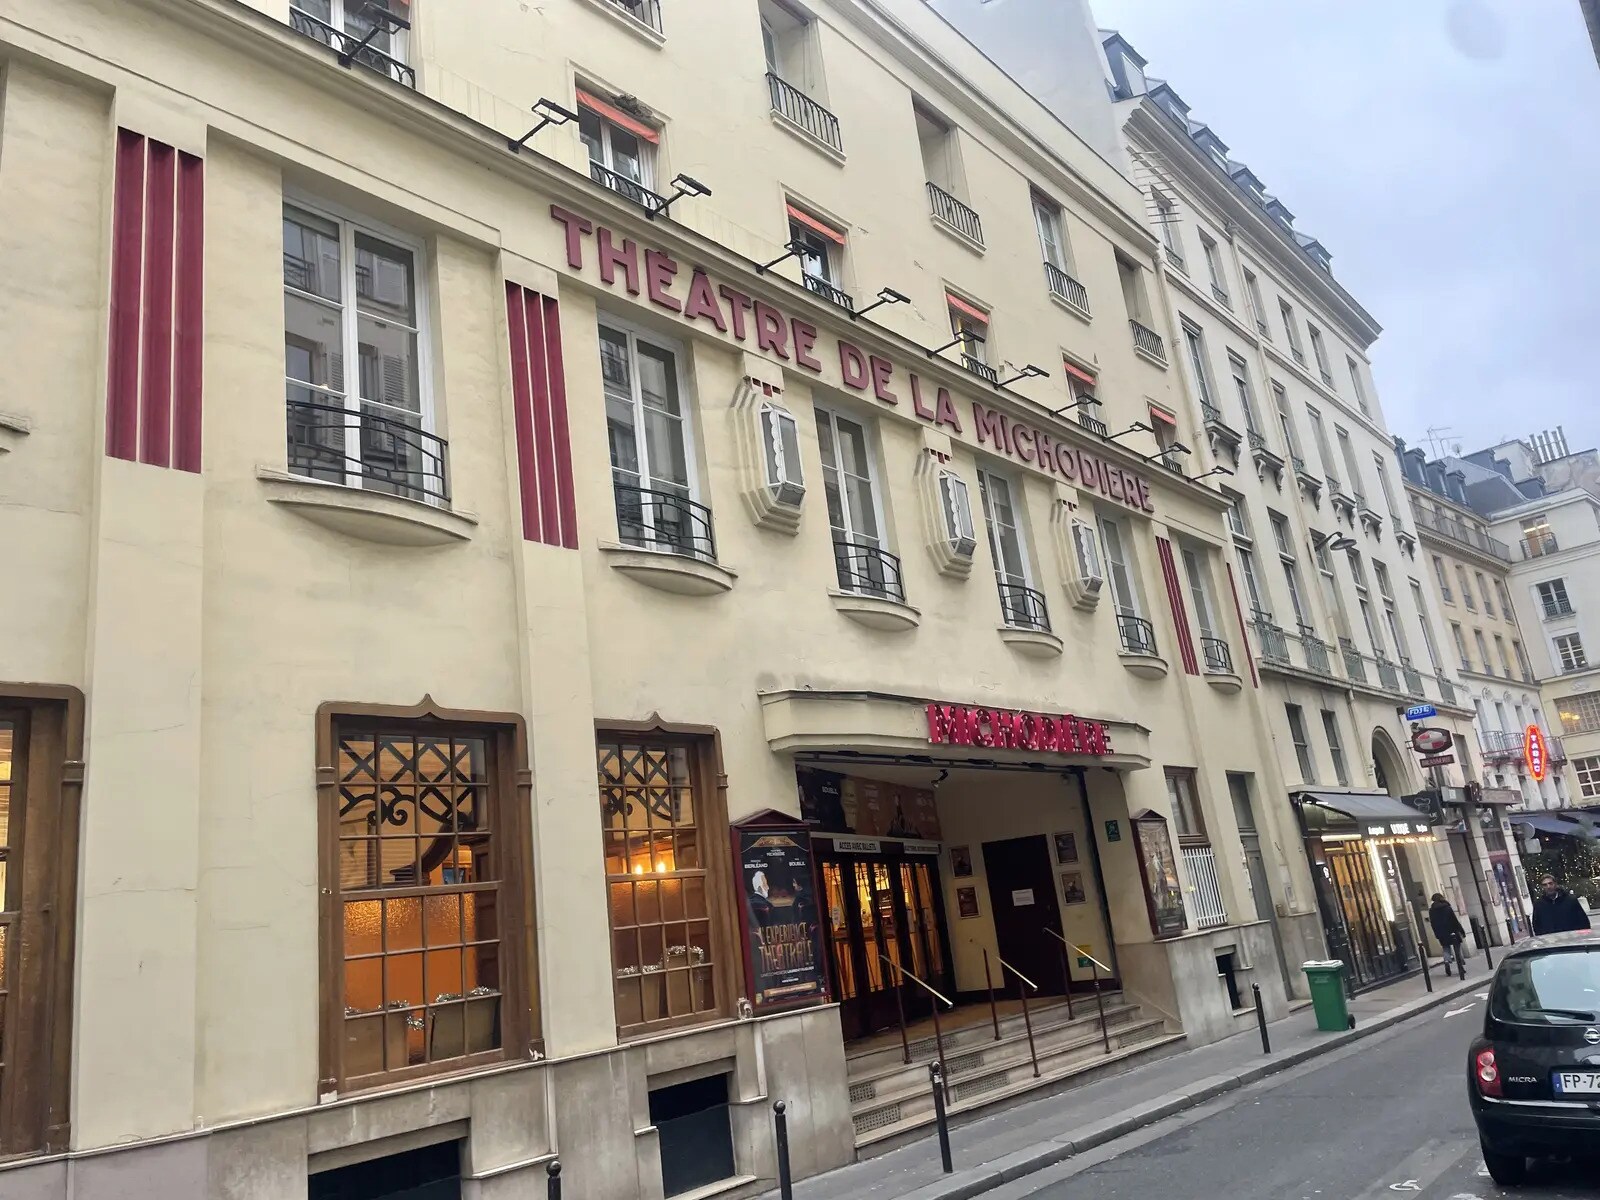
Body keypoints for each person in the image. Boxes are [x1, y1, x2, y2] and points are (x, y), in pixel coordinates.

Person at [1428, 893, 1468, 978]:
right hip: (1452, 931)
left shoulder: (1432, 910)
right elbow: (1455, 921)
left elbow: (1433, 923)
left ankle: (1446, 961)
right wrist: (1461, 931)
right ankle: (1460, 966)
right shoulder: (1447, 907)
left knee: (1446, 948)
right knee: (1457, 948)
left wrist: (1437, 933)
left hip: (1441, 933)